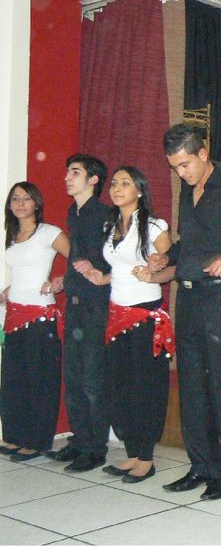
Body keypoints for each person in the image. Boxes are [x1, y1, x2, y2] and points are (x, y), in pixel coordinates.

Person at [150, 124, 221, 501]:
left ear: (203, 154)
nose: (180, 173)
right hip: (187, 298)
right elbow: (189, 245)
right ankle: (199, 465)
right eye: (174, 167)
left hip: (220, 299)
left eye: (184, 164)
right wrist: (166, 258)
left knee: (220, 386)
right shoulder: (188, 193)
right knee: (192, 386)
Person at [75, 167, 175, 483]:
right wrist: (101, 277)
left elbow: (173, 265)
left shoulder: (155, 226)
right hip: (116, 316)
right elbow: (120, 268)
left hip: (144, 317)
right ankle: (132, 453)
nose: (117, 188)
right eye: (115, 184)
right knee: (120, 387)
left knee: (145, 389)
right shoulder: (111, 226)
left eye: (125, 183)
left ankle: (146, 458)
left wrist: (155, 273)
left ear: (140, 191)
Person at [45, 154, 112, 472]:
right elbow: (78, 257)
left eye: (75, 172)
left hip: (94, 305)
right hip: (73, 304)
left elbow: (114, 259)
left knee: (91, 379)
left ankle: (95, 448)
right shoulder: (74, 212)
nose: (67, 178)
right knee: (72, 377)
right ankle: (80, 440)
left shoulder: (105, 215)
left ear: (93, 179)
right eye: (67, 172)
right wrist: (67, 277)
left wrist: (95, 269)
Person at [0, 182, 69, 461]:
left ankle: (37, 441)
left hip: (40, 316)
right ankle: (15, 436)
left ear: (36, 203)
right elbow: (23, 272)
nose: (20, 203)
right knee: (14, 379)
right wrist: (8, 290)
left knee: (40, 381)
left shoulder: (48, 232)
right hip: (14, 315)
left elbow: (80, 259)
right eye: (15, 199)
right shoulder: (13, 235)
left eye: (26, 198)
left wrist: (61, 281)